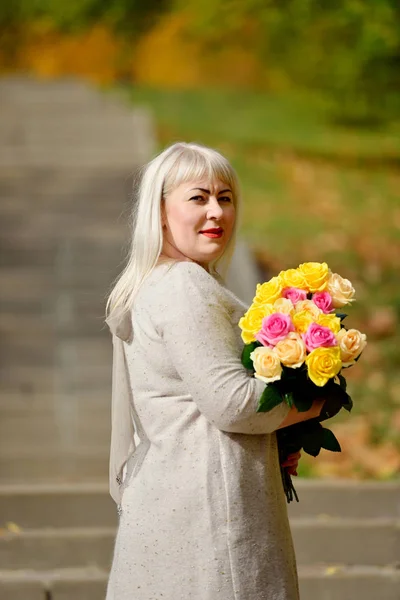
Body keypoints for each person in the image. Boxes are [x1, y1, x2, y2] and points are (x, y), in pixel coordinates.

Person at [104, 142, 325, 600]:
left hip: (178, 499)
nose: (216, 212)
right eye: (198, 197)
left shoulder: (164, 282)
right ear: (161, 211)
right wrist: (315, 400)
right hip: (211, 511)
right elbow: (234, 405)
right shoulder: (185, 286)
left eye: (225, 198)